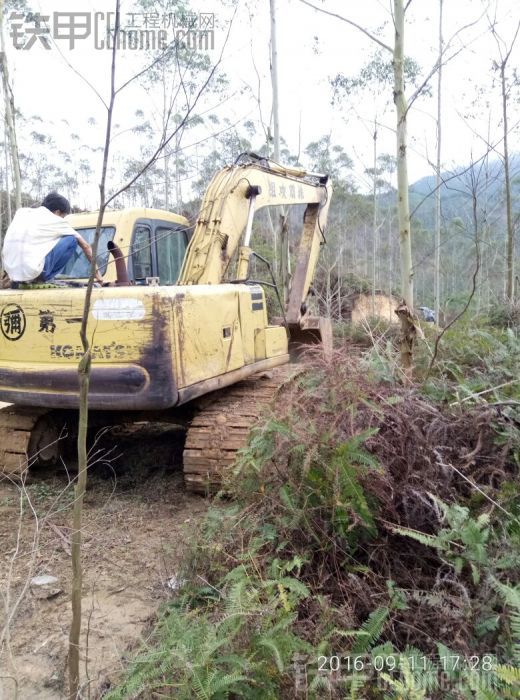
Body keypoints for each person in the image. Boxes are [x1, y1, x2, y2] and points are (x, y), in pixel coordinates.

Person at [2, 192, 102, 285]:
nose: (62, 219)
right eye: (63, 216)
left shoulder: (22, 213)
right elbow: (86, 246)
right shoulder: (55, 220)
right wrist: (97, 275)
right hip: (32, 272)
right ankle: (43, 278)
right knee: (72, 240)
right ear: (58, 212)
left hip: (12, 273)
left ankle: (29, 277)